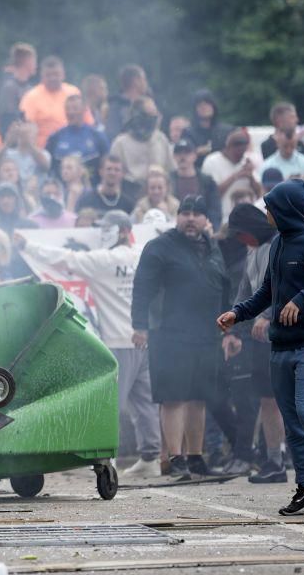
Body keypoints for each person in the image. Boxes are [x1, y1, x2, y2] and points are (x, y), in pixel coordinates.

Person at [217, 179, 304, 516]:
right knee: (291, 418)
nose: (266, 213)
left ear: (286, 209)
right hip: (281, 345)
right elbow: (267, 291)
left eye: (271, 207)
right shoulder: (277, 246)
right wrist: (239, 312)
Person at [19, 210, 161, 476]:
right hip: (146, 338)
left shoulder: (103, 260)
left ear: (120, 230)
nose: (101, 232)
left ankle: (109, 459)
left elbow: (66, 258)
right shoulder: (143, 254)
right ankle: (151, 459)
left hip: (120, 339)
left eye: (105, 228)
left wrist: (27, 245)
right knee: (145, 403)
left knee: (112, 403)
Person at [133, 195, 229, 480]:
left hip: (206, 332)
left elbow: (224, 286)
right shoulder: (160, 247)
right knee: (173, 397)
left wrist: (229, 327)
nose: (190, 218)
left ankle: (196, 458)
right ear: (177, 217)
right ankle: (175, 460)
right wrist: (140, 325)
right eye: (185, 212)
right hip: (168, 332)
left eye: (196, 213)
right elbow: (142, 288)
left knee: (198, 396)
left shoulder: (212, 247)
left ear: (205, 220)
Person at [222, 204, 288, 483]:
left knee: (289, 399)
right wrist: (233, 330)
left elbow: (288, 286)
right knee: (267, 397)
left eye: (241, 234)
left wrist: (268, 315)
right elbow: (245, 293)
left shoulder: (281, 245)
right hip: (262, 339)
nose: (239, 240)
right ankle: (275, 461)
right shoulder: (253, 252)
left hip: (287, 332)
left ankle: (293, 457)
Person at [19, 56, 91, 148]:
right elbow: (26, 129)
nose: (52, 78)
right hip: (44, 151)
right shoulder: (31, 97)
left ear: (63, 74)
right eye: (48, 75)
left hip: (76, 147)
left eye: (56, 74)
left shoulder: (74, 92)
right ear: (41, 76)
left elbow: (88, 121)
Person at [109, 96, 175, 186]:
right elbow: (114, 174)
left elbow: (171, 169)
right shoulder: (120, 144)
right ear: (138, 117)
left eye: (155, 115)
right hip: (131, 193)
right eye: (150, 115)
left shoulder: (161, 139)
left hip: (159, 192)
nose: (155, 118)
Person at [45, 94, 110, 180]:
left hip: (91, 189)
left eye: (75, 108)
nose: (71, 112)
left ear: (84, 110)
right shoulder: (56, 137)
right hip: (63, 189)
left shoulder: (97, 136)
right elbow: (49, 168)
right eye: (68, 109)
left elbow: (106, 165)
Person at [202, 129, 261, 221]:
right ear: (229, 147)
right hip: (222, 217)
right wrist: (236, 176)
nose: (241, 156)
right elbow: (211, 194)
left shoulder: (246, 160)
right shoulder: (212, 161)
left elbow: (260, 193)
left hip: (247, 216)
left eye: (243, 151)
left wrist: (250, 177)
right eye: (238, 153)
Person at [171, 138, 222, 229]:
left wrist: (212, 230)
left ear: (195, 156)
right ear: (174, 156)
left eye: (187, 153)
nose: (183, 157)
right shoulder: (167, 180)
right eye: (179, 153)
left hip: (202, 230)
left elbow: (215, 210)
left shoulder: (207, 181)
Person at [0, 43, 37, 133]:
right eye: (34, 61)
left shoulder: (30, 88)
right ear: (27, 61)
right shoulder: (9, 88)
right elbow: (7, 120)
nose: (36, 65)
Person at [2, 120, 51, 193]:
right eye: (23, 134)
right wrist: (8, 142)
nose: (25, 136)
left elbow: (45, 166)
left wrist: (30, 145)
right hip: (14, 195)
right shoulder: (8, 154)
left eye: (29, 133)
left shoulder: (44, 154)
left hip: (38, 195)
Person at [188, 89, 233, 165]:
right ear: (195, 109)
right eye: (200, 105)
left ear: (213, 106)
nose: (204, 107)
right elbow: (183, 154)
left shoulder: (227, 131)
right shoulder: (188, 133)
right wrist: (196, 152)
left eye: (207, 104)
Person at [105, 64, 149, 141]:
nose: (146, 83)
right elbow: (112, 135)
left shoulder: (147, 106)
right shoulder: (116, 107)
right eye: (144, 79)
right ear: (136, 81)